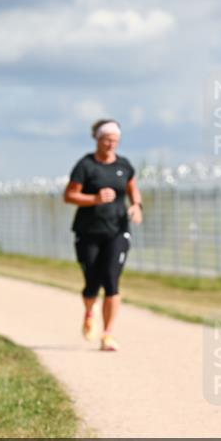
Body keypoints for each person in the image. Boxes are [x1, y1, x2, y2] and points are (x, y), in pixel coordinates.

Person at [64, 119, 143, 351]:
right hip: (88, 231)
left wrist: (137, 206)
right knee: (92, 282)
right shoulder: (85, 166)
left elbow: (133, 190)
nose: (111, 144)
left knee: (111, 280)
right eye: (107, 139)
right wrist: (94, 199)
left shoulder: (124, 165)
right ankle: (89, 311)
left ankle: (107, 334)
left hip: (117, 230)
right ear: (98, 139)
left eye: (115, 141)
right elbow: (69, 196)